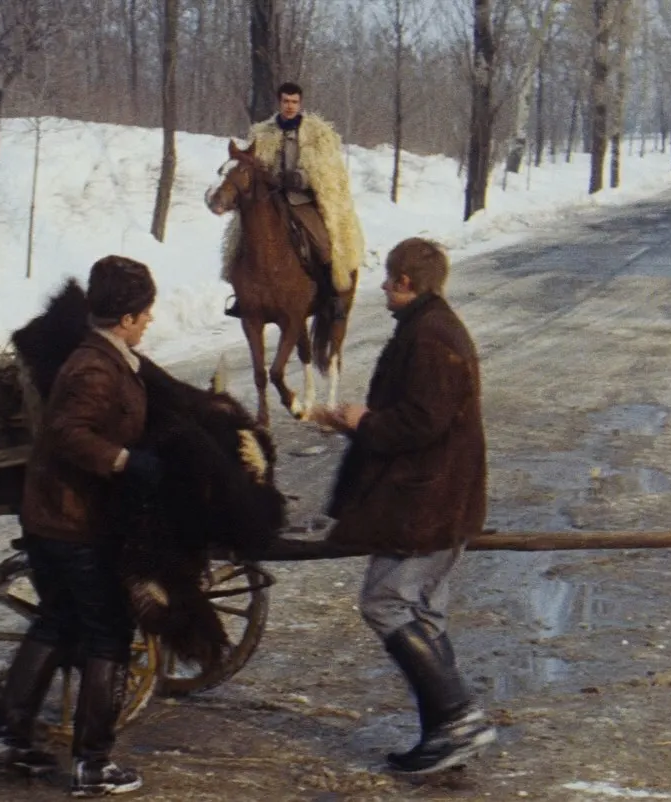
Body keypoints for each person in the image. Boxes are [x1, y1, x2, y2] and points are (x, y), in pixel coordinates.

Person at [309, 238, 496, 775]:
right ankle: (445, 736)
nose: (384, 287)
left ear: (405, 282)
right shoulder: (429, 327)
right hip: (437, 497)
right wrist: (353, 423)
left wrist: (363, 421)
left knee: (385, 602)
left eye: (389, 278)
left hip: (426, 501)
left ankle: (458, 717)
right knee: (423, 612)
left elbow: (421, 421)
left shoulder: (431, 336)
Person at [0, 256, 162, 797]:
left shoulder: (100, 357)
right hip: (74, 522)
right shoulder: (94, 367)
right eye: (145, 312)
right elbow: (69, 432)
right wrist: (123, 461)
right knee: (108, 633)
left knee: (58, 620)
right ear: (126, 318)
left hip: (52, 517)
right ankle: (94, 764)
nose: (150, 320)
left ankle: (11, 739)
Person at [221, 82, 363, 324]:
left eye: (294, 102)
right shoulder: (262, 133)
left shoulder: (317, 134)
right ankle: (243, 296)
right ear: (279, 102)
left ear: (300, 103)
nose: (290, 106)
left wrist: (300, 178)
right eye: (286, 101)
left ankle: (331, 295)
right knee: (241, 241)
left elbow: (325, 168)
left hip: (301, 200)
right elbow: (252, 162)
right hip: (269, 199)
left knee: (322, 243)